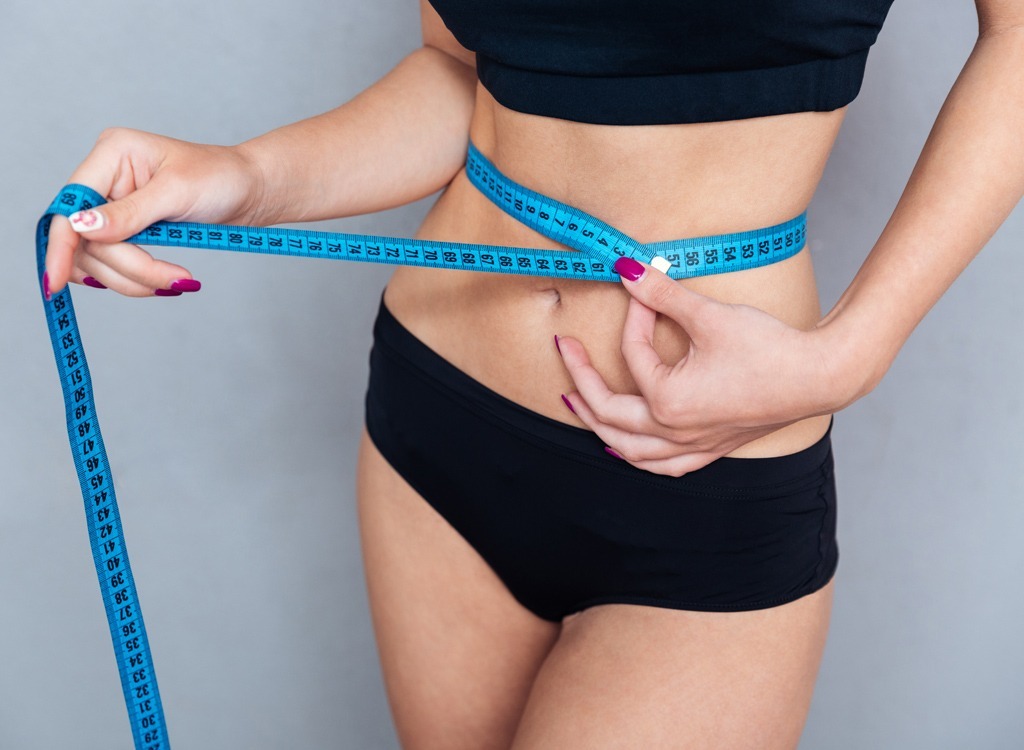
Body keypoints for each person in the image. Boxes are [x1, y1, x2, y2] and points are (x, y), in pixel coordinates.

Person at [42, 1, 1024, 747]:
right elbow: (459, 75)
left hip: (699, 473)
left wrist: (852, 352)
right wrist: (240, 177)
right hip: (438, 426)